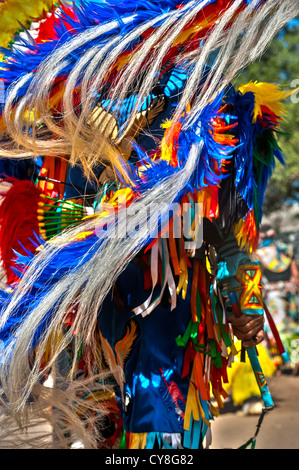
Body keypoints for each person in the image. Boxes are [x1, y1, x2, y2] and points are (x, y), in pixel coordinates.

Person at [0, 0, 298, 450]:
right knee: (90, 430)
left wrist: (242, 291)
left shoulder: (210, 106)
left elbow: (228, 224)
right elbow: (35, 208)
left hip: (171, 314)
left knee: (163, 435)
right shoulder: (54, 109)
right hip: (86, 322)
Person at [255, 225, 299, 372]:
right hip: (290, 293)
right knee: (291, 325)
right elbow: (296, 275)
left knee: (273, 328)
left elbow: (257, 278)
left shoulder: (260, 253)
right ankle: (296, 357)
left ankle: (278, 363)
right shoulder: (286, 249)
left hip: (272, 296)